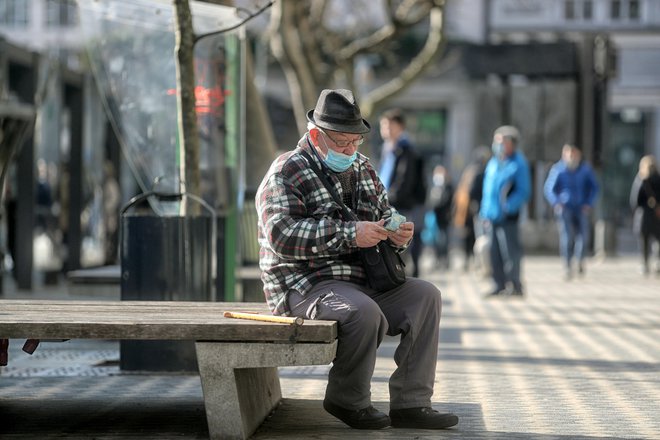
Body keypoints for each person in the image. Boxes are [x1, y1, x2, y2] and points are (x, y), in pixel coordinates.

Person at [256, 89, 458, 430]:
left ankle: (412, 403)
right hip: (304, 284)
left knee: (426, 297)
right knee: (363, 313)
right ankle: (347, 399)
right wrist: (351, 234)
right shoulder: (286, 171)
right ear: (317, 135)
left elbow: (383, 213)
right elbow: (281, 236)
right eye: (342, 142)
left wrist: (398, 234)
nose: (350, 150)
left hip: (363, 280)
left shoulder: (363, 168)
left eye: (356, 141)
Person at [479, 125, 531, 298]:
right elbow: (488, 190)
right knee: (494, 252)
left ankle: (515, 285)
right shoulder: (494, 162)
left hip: (509, 216)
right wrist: (484, 212)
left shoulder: (519, 163)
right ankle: (498, 284)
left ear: (511, 143)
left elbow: (523, 190)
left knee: (510, 251)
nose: (497, 144)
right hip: (492, 215)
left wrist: (508, 207)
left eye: (501, 141)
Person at [378, 109, 426, 277]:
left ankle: (400, 281)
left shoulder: (407, 150)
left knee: (398, 245)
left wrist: (387, 199)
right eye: (383, 125)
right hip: (388, 204)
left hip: (400, 207)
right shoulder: (388, 148)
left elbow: (405, 183)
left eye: (389, 125)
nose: (385, 129)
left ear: (400, 127)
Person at [543, 144, 599, 279]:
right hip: (565, 208)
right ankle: (567, 265)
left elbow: (594, 188)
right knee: (567, 237)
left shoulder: (585, 170)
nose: (571, 157)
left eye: (574, 154)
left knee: (583, 236)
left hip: (581, 207)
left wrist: (588, 203)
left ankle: (580, 260)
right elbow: (549, 189)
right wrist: (556, 203)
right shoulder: (558, 169)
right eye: (568, 154)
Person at [629, 155, 660, 275]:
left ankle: (645, 264)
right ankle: (658, 262)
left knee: (644, 242)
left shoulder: (641, 180)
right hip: (657, 214)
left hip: (643, 215)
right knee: (658, 240)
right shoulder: (658, 178)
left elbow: (634, 200)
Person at [428, 165, 454, 268]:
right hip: (434, 217)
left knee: (444, 239)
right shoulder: (433, 185)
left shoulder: (448, 186)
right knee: (435, 240)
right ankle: (437, 259)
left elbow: (448, 201)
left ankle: (445, 259)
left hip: (445, 217)